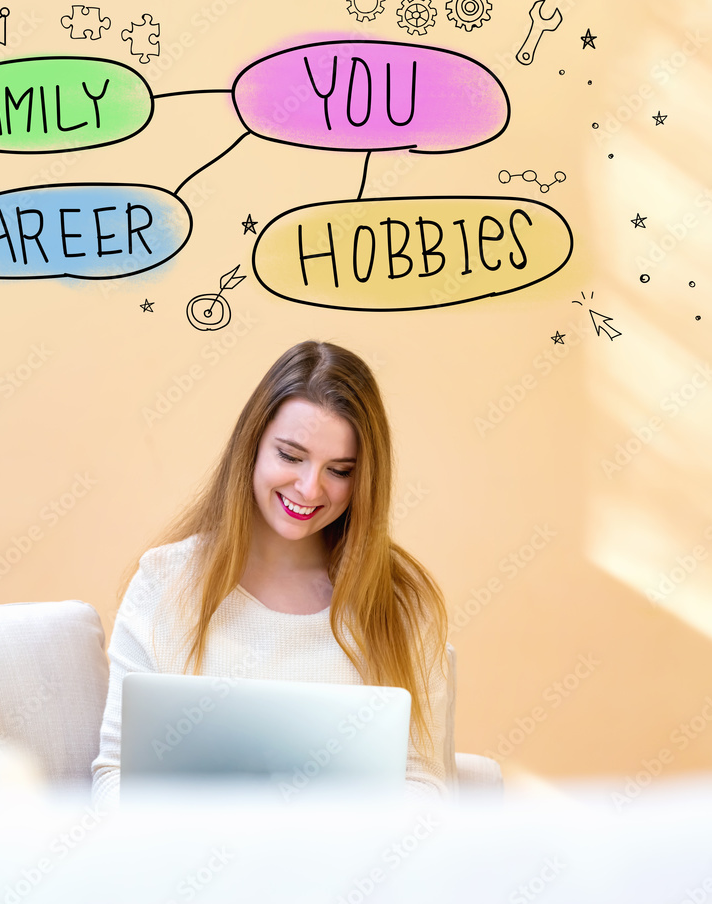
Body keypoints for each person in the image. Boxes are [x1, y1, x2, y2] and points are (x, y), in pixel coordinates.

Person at [90, 340, 450, 811]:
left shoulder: (400, 601)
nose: (309, 487)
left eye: (339, 470)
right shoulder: (165, 581)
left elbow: (423, 785)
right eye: (290, 456)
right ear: (252, 446)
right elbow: (115, 776)